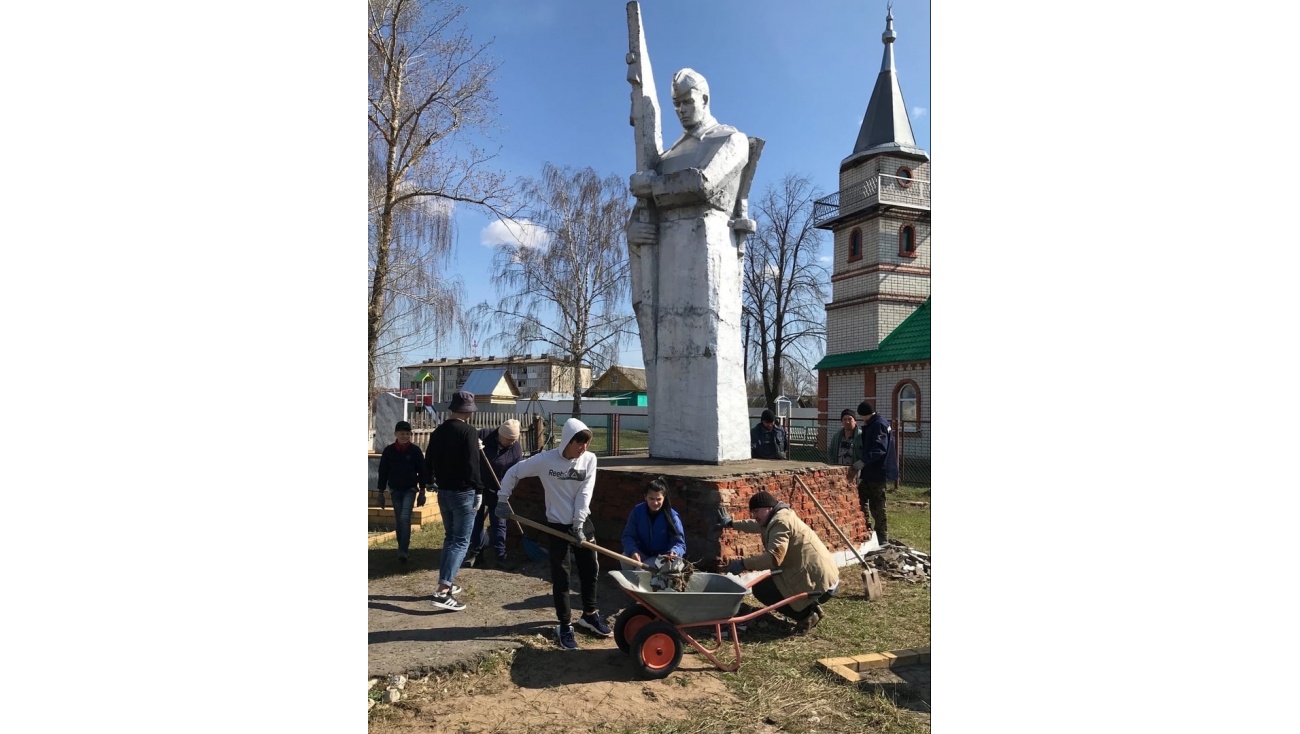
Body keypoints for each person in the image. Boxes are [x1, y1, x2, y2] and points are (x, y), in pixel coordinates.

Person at [625, 66, 757, 462]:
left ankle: (709, 447)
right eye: (676, 103)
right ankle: (674, 440)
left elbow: (702, 183)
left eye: (688, 100)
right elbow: (643, 214)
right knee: (667, 348)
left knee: (708, 347)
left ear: (705, 98)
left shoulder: (731, 140)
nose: (682, 109)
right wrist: (637, 230)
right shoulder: (667, 156)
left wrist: (647, 185)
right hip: (667, 262)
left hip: (709, 253)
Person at [495, 418, 611, 650]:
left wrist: (578, 525)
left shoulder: (589, 460)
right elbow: (514, 472)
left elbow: (585, 494)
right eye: (580, 443)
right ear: (568, 441)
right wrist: (502, 498)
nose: (584, 448)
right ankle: (565, 625)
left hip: (582, 524)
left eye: (587, 443)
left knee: (590, 570)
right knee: (562, 577)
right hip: (556, 526)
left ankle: (589, 615)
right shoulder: (546, 460)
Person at [717, 490, 839, 633]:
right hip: (822, 576)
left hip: (821, 584)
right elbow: (755, 525)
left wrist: (743, 564)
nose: (754, 515)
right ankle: (809, 609)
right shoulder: (777, 516)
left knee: (762, 590)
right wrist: (731, 523)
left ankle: (807, 615)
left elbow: (773, 558)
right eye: (752, 512)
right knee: (770, 584)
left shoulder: (780, 522)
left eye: (756, 511)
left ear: (768, 507)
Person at [423, 390, 485, 612]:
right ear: (468, 411)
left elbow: (428, 458)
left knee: (450, 538)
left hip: (444, 492)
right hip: (463, 492)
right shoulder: (468, 432)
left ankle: (447, 582)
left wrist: (428, 480)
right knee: (460, 541)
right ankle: (442, 591)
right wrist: (479, 489)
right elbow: (472, 463)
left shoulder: (439, 431)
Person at [464, 419, 523, 568]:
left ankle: (500, 555)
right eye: (508, 439)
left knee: (499, 523)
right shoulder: (484, 435)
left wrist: (507, 490)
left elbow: (516, 472)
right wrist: (472, 444)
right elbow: (464, 447)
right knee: (476, 522)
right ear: (500, 434)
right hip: (477, 487)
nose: (511, 442)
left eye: (514, 440)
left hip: (499, 490)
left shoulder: (515, 448)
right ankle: (476, 553)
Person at [376, 420, 425, 564]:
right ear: (396, 434)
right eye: (402, 433)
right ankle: (401, 548)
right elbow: (383, 472)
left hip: (410, 489)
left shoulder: (415, 451)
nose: (404, 436)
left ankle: (404, 550)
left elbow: (422, 471)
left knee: (405, 517)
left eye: (407, 434)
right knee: (399, 520)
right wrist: (380, 493)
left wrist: (422, 491)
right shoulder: (389, 451)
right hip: (395, 489)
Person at [620, 476, 686, 572]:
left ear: (664, 498)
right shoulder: (637, 512)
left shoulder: (673, 517)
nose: (655, 503)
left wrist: (674, 552)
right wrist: (633, 551)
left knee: (640, 571)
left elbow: (680, 543)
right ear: (645, 497)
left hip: (662, 558)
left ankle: (637, 586)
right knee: (625, 558)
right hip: (643, 552)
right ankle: (630, 586)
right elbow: (628, 536)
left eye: (658, 499)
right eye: (651, 498)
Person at [857, 400, 899, 546]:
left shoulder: (878, 424)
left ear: (864, 414)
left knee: (878, 505)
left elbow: (879, 449)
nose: (861, 419)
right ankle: (867, 530)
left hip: (878, 471)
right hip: (870, 471)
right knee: (860, 498)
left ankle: (883, 540)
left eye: (861, 416)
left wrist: (863, 461)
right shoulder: (874, 423)